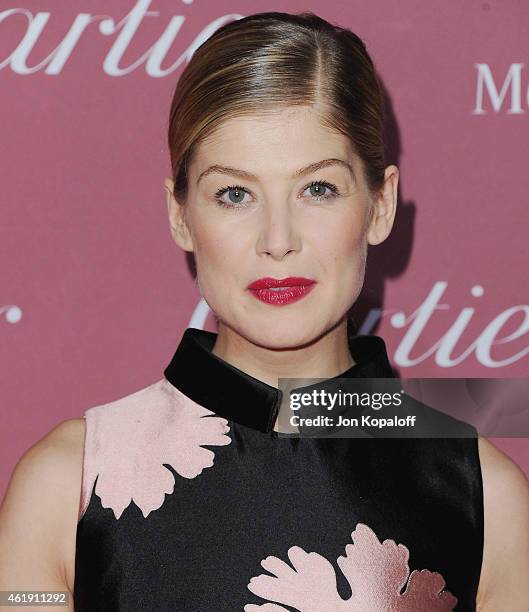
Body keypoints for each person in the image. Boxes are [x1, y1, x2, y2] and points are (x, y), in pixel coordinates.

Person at [1, 10, 528, 612]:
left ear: (381, 205)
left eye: (318, 189)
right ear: (180, 215)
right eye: (235, 194)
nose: (278, 239)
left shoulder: (485, 496)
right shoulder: (66, 485)